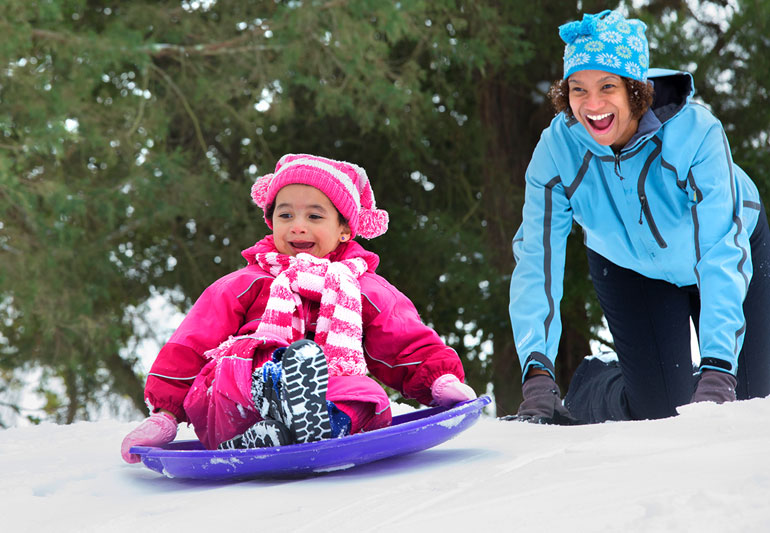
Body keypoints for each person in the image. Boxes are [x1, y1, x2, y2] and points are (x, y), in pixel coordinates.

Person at [121, 154, 476, 461]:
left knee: (365, 396)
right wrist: (165, 414)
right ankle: (271, 401)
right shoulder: (246, 282)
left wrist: (439, 380)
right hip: (240, 398)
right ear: (271, 222)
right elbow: (194, 341)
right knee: (236, 367)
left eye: (315, 217)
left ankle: (321, 423)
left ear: (344, 231)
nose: (298, 226)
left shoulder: (360, 287)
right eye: (286, 215)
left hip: (322, 394)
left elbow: (402, 338)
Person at [507, 10, 770, 424]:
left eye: (607, 86)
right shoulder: (557, 150)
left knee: (750, 398)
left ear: (635, 89)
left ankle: (714, 375)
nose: (592, 105)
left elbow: (721, 248)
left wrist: (718, 371)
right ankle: (592, 383)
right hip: (629, 266)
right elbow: (537, 261)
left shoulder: (696, 134)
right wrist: (537, 376)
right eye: (578, 89)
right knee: (658, 411)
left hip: (730, 247)